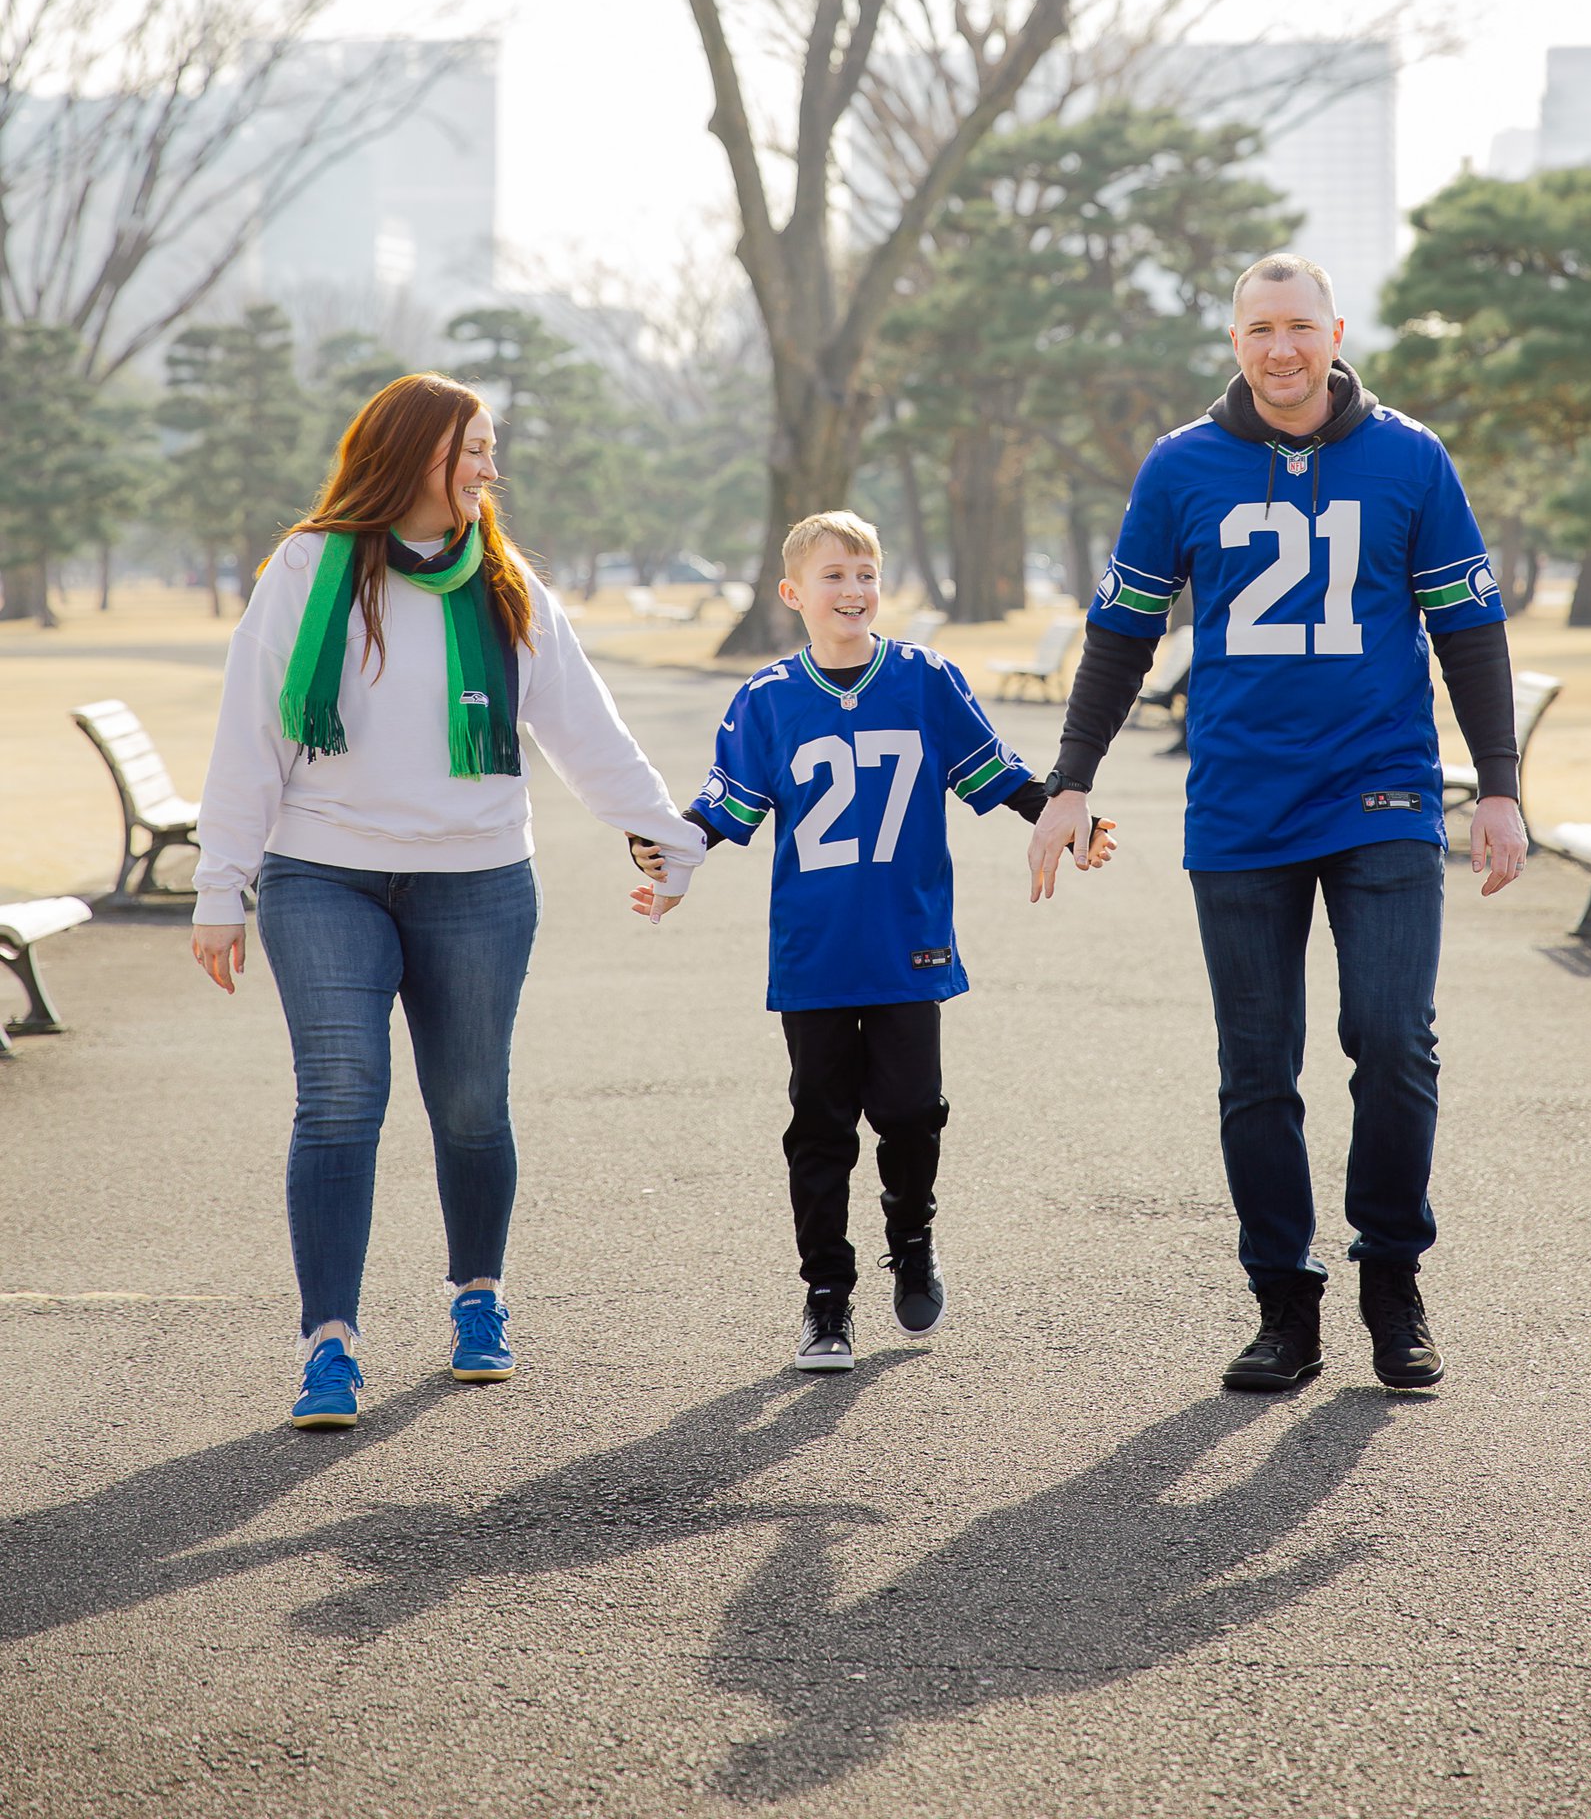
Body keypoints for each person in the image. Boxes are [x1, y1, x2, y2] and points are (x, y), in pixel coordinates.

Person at [1026, 254, 1526, 1396]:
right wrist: (1070, 781)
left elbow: (1468, 629)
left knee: (1392, 1040)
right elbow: (1122, 634)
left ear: (1336, 333)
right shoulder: (1180, 466)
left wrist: (1498, 785)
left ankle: (1391, 1277)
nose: (1282, 349)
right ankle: (1283, 1305)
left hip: (1381, 792)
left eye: (1301, 326)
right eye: (1261, 329)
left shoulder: (1410, 456)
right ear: (1235, 342)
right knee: (1257, 1065)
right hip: (1242, 805)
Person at [189, 372, 707, 1431]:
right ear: (413, 451)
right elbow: (251, 729)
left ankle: (478, 1294)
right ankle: (328, 1344)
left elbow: (584, 726)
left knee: (470, 1104)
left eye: (490, 448)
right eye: (473, 448)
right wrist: (219, 884)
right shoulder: (309, 568)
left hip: (478, 880)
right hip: (321, 873)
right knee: (340, 1099)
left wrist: (664, 833)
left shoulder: (505, 582)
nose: (489, 468)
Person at [635, 511, 1114, 1371]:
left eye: (865, 574)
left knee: (911, 1111)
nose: (853, 590)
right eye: (833, 575)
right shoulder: (766, 698)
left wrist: (1065, 820)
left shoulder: (926, 679)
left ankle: (912, 1241)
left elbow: (998, 774)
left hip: (908, 938)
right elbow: (723, 810)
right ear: (792, 593)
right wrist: (666, 849)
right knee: (820, 1124)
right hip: (816, 949)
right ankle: (827, 1297)